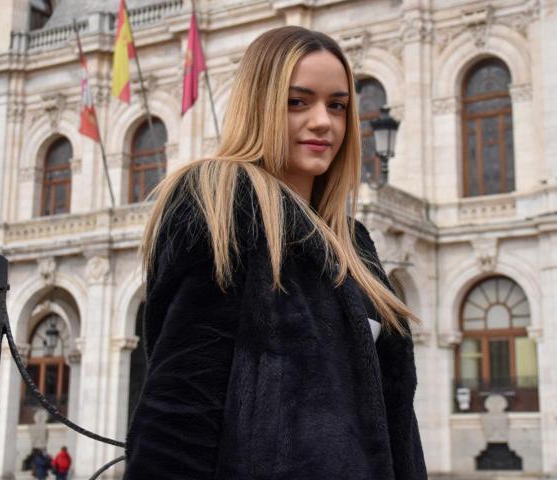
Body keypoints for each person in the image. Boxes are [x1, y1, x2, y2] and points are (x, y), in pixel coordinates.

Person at [124, 26, 427, 479]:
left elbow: (396, 423)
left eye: (339, 105)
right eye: (298, 102)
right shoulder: (224, 207)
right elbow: (179, 407)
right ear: (259, 105)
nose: (324, 121)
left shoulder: (352, 241)